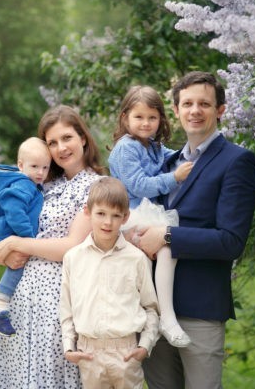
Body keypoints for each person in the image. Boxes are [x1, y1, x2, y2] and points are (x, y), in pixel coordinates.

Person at [137, 71, 255, 389]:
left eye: (204, 104)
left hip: (200, 308)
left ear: (220, 110)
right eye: (187, 103)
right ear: (176, 110)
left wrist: (167, 236)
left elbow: (230, 241)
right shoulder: (165, 166)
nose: (195, 111)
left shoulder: (237, 161)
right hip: (152, 309)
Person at [0, 105, 106, 389]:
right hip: (17, 302)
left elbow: (72, 246)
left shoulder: (97, 187)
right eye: (52, 142)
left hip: (56, 304)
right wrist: (4, 250)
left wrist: (16, 243)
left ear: (83, 138)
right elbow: (12, 221)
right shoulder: (43, 183)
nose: (60, 148)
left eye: (67, 138)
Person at [107, 85, 193, 347]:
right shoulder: (126, 148)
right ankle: (163, 317)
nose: (146, 123)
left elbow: (176, 157)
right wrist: (174, 178)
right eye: (139, 117)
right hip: (132, 215)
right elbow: (138, 185)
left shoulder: (154, 146)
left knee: (167, 249)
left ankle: (159, 319)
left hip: (148, 215)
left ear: (160, 120)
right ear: (125, 118)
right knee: (165, 247)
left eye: (152, 117)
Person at [60, 177, 159, 389]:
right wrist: (68, 346)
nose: (108, 222)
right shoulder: (73, 258)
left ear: (125, 217)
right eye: (101, 214)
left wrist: (145, 345)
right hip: (88, 353)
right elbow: (66, 309)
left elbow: (151, 307)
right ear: (88, 212)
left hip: (126, 352)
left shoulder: (137, 258)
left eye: (116, 215)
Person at [0, 137, 51, 337]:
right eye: (35, 167)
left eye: (45, 167)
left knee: (17, 266)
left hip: (15, 234)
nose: (40, 173)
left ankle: (0, 308)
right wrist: (28, 238)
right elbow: (14, 212)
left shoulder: (29, 183)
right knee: (17, 266)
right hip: (13, 234)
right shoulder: (23, 185)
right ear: (21, 165)